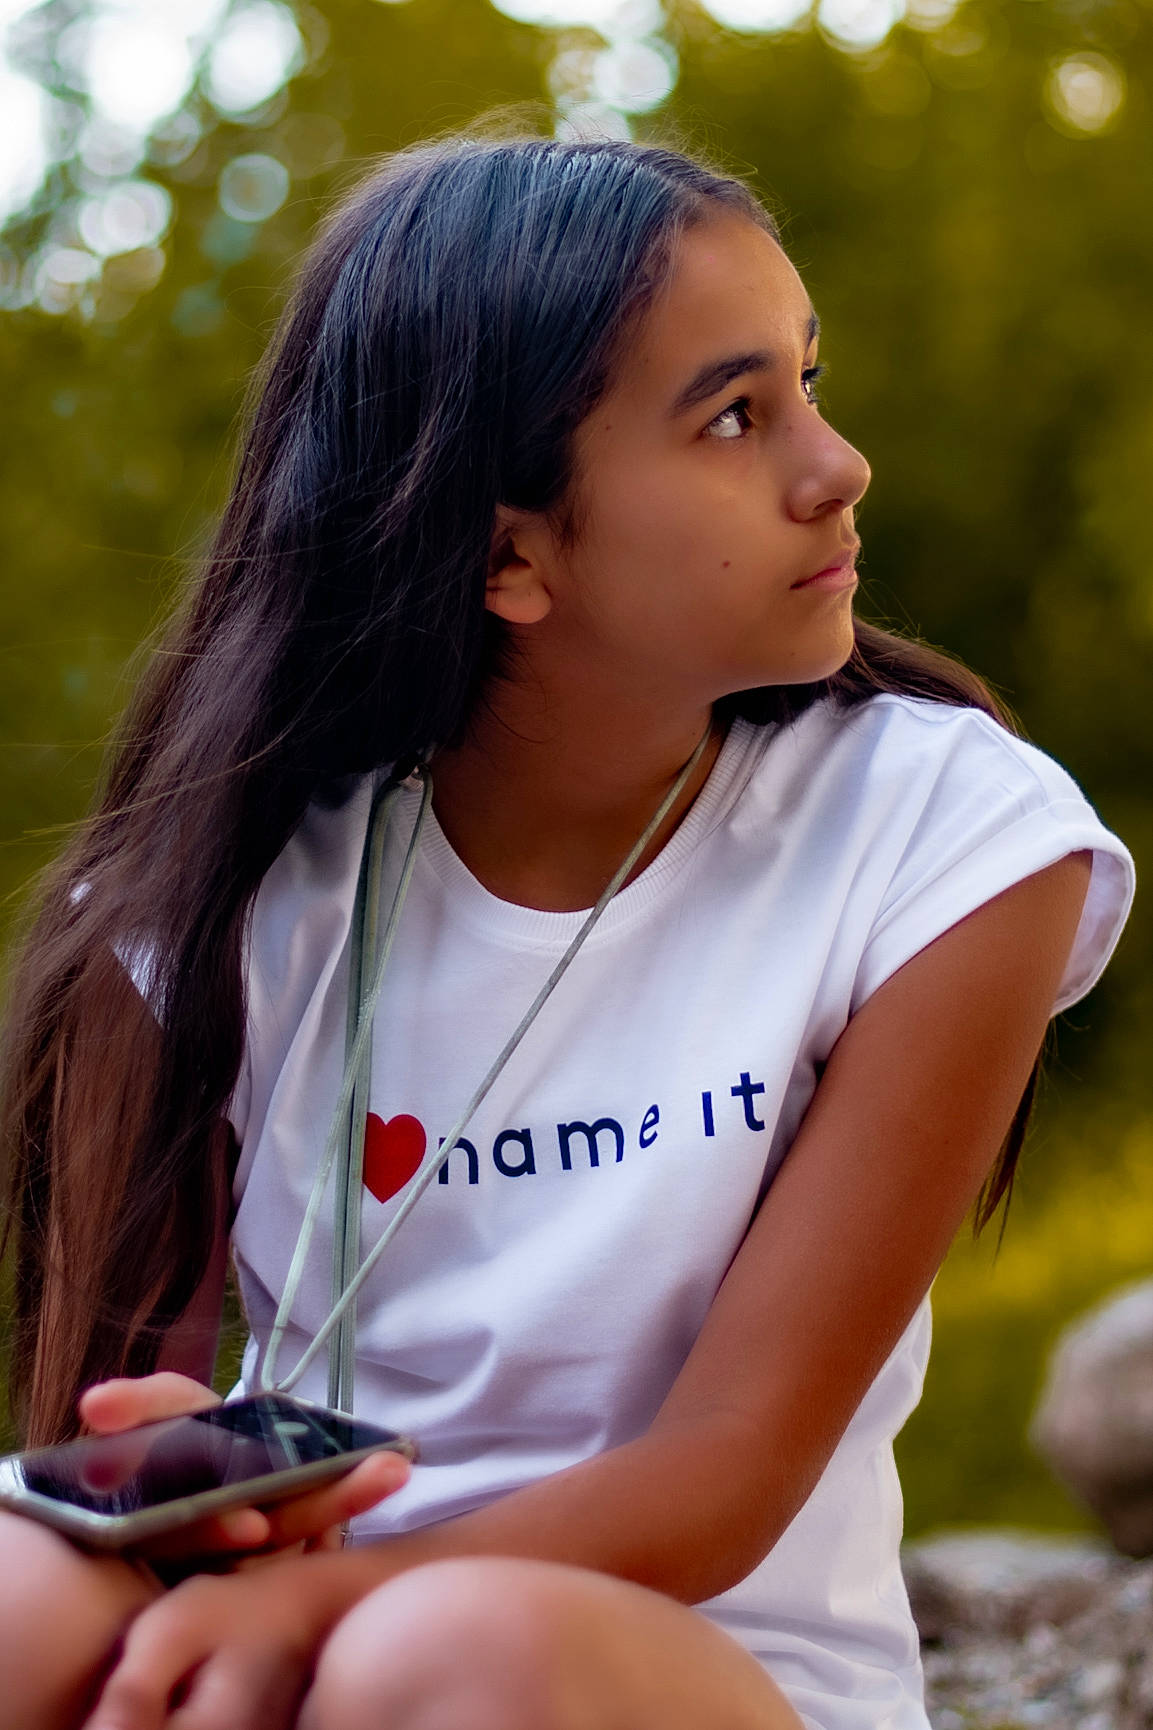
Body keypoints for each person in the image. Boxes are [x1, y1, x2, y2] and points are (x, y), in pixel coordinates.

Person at [0, 134, 1134, 1730]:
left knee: (449, 1656)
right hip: (316, 1608)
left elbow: (723, 1472)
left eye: (806, 383)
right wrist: (183, 1484)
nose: (836, 463)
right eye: (736, 416)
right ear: (509, 553)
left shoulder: (943, 838)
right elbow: (110, 1438)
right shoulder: (221, 897)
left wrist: (335, 1596)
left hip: (698, 1664)